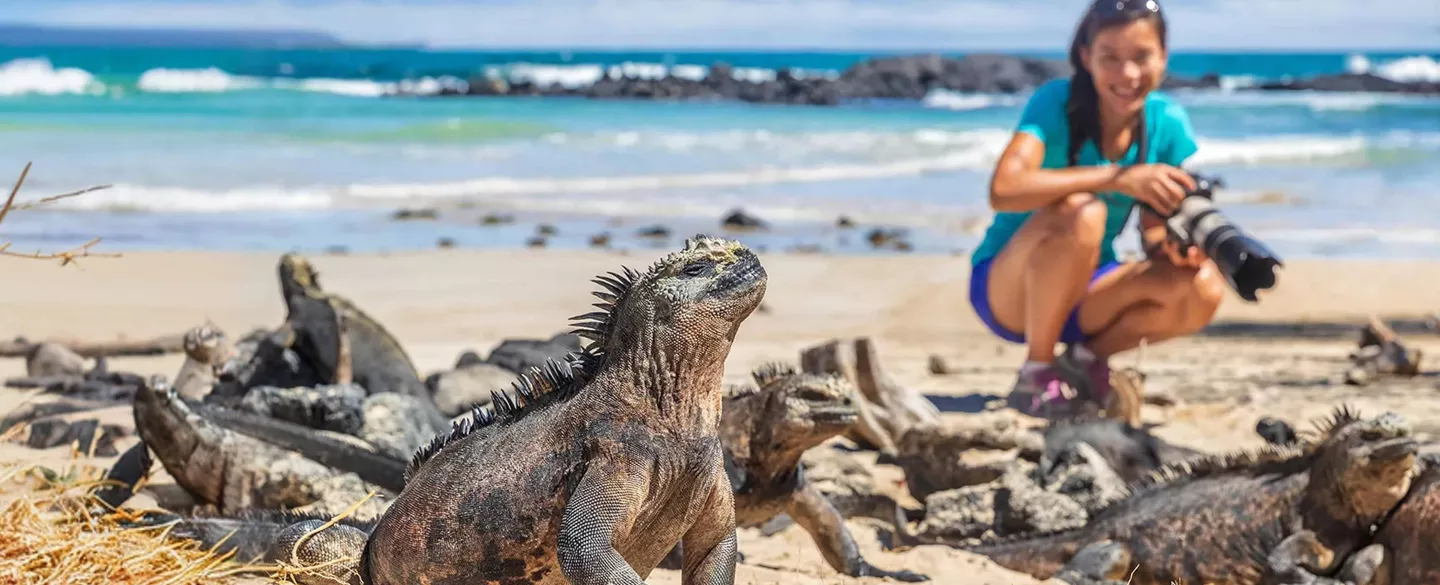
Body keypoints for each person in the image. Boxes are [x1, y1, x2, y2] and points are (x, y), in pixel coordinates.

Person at [968, 0, 1227, 418]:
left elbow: (1154, 232)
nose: (1127, 75)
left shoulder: (1167, 122)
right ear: (1086, 58)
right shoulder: (1057, 102)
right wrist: (1116, 178)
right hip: (1009, 288)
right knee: (1082, 212)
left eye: (1142, 57)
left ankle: (1084, 360)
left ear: (1163, 57)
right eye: (1110, 58)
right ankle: (1036, 369)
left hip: (1090, 293)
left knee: (1203, 286)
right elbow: (1004, 188)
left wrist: (1175, 250)